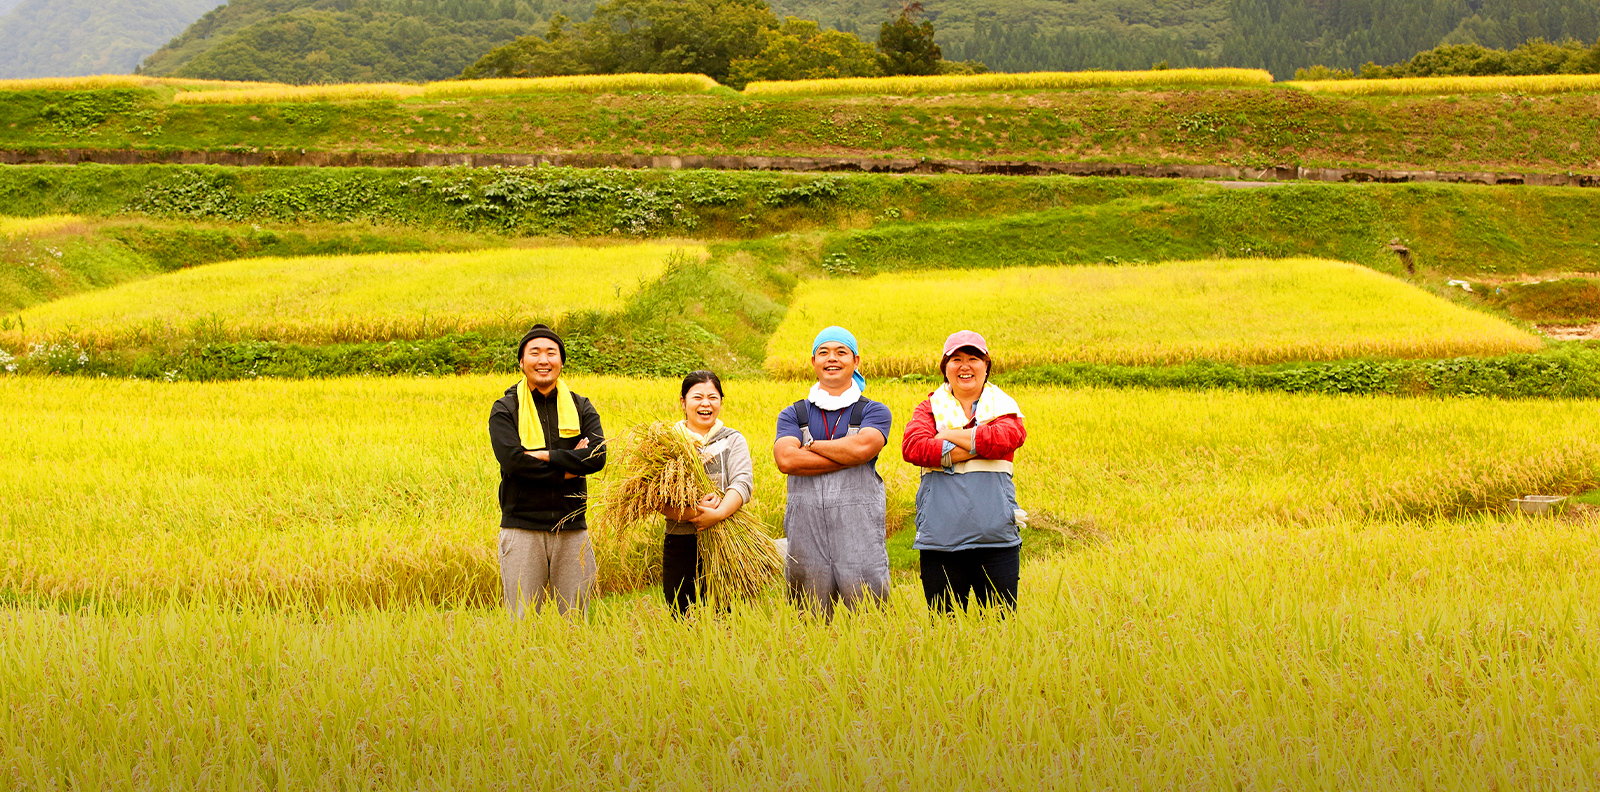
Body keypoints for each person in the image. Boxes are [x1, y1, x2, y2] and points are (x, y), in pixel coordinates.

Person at [900, 330, 1026, 612]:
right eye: (956, 359)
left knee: (1000, 630)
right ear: (945, 368)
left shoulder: (1005, 408)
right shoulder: (929, 408)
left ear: (986, 366)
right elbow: (914, 448)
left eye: (973, 358)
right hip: (940, 539)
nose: (965, 365)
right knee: (945, 632)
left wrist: (946, 435)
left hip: (996, 539)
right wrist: (977, 441)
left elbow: (1006, 439)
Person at [773, 326, 893, 619]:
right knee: (807, 624)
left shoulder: (873, 411)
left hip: (859, 536)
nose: (832, 359)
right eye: (823, 352)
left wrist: (811, 446)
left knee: (869, 621)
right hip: (805, 536)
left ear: (856, 361)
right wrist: (847, 454)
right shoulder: (794, 413)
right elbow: (786, 460)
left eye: (841, 352)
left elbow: (863, 449)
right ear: (813, 361)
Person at [487, 323, 607, 617]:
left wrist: (545, 456)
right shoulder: (506, 409)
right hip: (522, 528)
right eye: (535, 352)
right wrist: (569, 466)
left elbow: (597, 456)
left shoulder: (581, 407)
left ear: (561, 361)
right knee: (522, 622)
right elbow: (514, 462)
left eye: (551, 353)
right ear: (521, 361)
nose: (543, 360)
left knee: (576, 621)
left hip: (572, 529)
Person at [658, 370, 755, 616]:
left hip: (727, 540)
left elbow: (743, 483)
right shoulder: (666, 443)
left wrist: (719, 512)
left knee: (727, 619)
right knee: (682, 618)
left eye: (713, 397)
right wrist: (697, 512)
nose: (706, 404)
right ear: (683, 402)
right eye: (697, 397)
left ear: (721, 401)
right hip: (680, 541)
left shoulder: (733, 440)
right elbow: (657, 499)